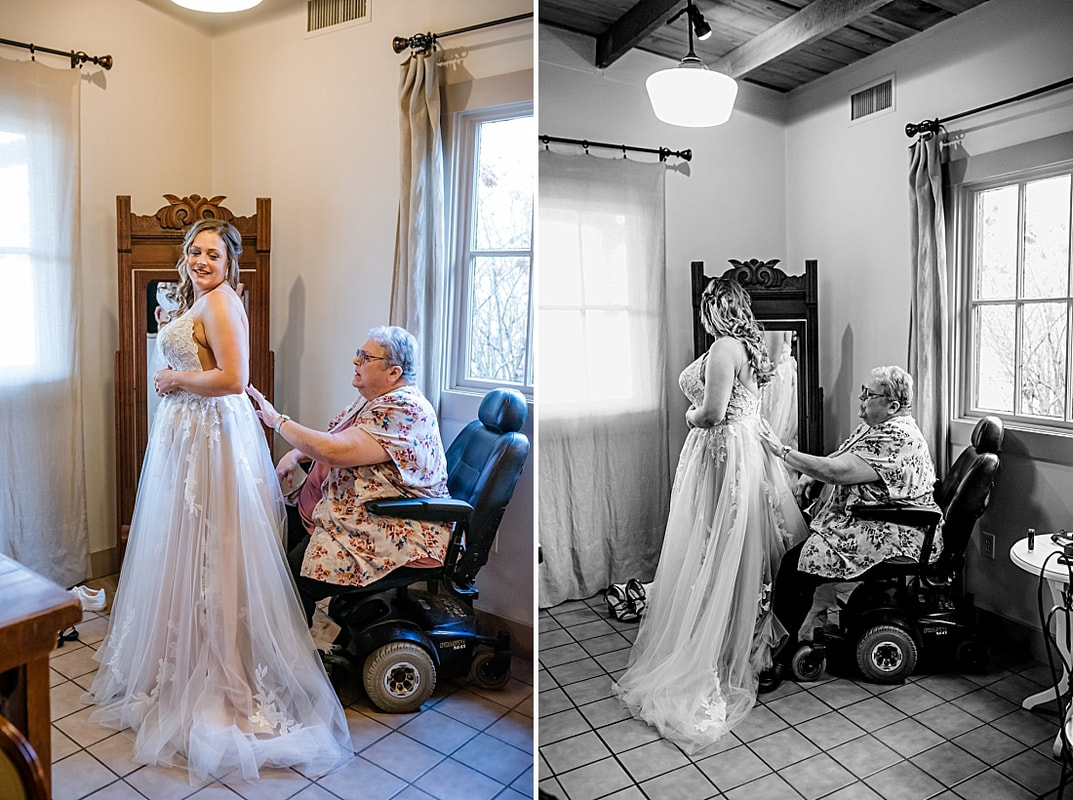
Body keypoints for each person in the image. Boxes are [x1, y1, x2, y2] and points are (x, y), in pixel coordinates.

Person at [88, 219, 353, 782]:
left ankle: (223, 669)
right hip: (190, 435)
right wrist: (174, 333)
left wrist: (173, 380)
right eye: (194, 251)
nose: (202, 260)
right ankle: (179, 659)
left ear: (230, 262)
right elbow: (202, 355)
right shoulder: (200, 300)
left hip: (212, 437)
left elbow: (233, 379)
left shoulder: (224, 301)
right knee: (185, 542)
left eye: (213, 253)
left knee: (214, 544)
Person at [612, 277, 808, 754]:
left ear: (713, 308)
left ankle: (718, 646)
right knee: (736, 549)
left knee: (716, 546)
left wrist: (687, 416)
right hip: (743, 450)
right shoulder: (751, 346)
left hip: (722, 452)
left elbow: (714, 413)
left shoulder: (724, 347)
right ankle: (739, 639)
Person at [246, 325, 451, 626]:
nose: (356, 361)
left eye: (366, 357)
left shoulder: (403, 409)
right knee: (267, 548)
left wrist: (278, 422)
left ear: (393, 372)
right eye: (359, 353)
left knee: (288, 582)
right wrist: (296, 454)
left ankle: (293, 664)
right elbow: (344, 437)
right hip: (335, 508)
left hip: (394, 524)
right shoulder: (375, 398)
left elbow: (335, 451)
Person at [758, 365, 941, 691]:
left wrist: (783, 452)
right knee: (797, 550)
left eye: (869, 395)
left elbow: (839, 472)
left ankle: (781, 657)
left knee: (794, 565)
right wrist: (812, 475)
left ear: (893, 406)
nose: (861, 398)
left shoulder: (896, 437)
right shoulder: (877, 426)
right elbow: (842, 456)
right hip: (871, 518)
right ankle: (786, 633)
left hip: (898, 529)